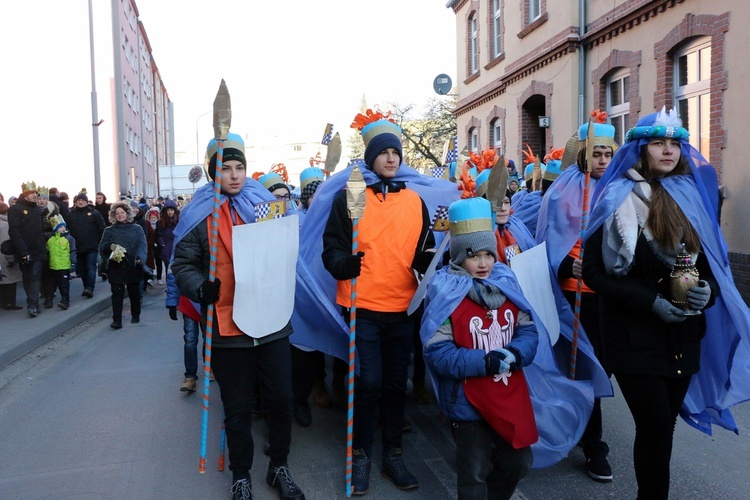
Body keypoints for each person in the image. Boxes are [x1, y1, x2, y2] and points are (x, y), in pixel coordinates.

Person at [582, 107, 750, 499]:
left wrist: (706, 291)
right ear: (642, 149)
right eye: (658, 143)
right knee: (655, 425)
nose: (668, 150)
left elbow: (710, 264)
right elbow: (594, 273)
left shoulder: (692, 195)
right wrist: (651, 302)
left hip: (683, 334)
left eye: (675, 143)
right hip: (631, 334)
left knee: (663, 427)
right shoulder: (615, 198)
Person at [171, 132, 305, 500]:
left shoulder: (264, 204)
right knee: (237, 408)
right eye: (225, 168)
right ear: (213, 171)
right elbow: (182, 263)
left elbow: (283, 248)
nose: (234, 174)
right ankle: (241, 475)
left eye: (239, 167)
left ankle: (279, 466)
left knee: (280, 399)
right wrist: (200, 287)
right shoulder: (198, 213)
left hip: (272, 320)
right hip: (228, 325)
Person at [322, 111, 436, 494]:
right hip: (363, 305)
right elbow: (332, 247)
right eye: (383, 152)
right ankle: (361, 456)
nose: (391, 158)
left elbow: (426, 247)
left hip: (404, 307)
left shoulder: (415, 200)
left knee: (392, 384)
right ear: (371, 157)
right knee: (367, 382)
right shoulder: (352, 194)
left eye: (395, 152)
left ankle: (393, 453)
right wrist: (343, 264)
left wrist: (429, 261)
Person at [421, 197, 538, 499]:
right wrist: (485, 361)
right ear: (460, 256)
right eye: (474, 255)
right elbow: (438, 353)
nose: (484, 263)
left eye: (489, 253)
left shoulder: (506, 282)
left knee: (519, 462)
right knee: (473, 475)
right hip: (466, 401)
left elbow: (528, 330)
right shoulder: (446, 292)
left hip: (507, 394)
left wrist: (516, 353)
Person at [535, 111, 617, 482]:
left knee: (606, 369)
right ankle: (593, 445)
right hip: (574, 297)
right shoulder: (562, 191)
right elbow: (549, 244)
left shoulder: (623, 187)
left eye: (608, 154)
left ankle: (588, 430)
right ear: (583, 155)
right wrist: (570, 269)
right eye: (596, 154)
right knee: (582, 370)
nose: (603, 161)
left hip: (613, 297)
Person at [99, 201, 147, 329]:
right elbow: (101, 247)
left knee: (134, 293)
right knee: (117, 294)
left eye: (122, 213)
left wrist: (140, 258)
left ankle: (135, 315)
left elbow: (142, 245)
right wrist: (109, 246)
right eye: (117, 213)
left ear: (127, 213)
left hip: (133, 264)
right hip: (116, 264)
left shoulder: (137, 228)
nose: (120, 215)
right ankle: (117, 320)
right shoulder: (109, 230)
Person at [8, 182, 47, 317]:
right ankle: (33, 302)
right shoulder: (15, 209)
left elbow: (40, 229)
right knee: (27, 277)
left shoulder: (37, 209)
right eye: (32, 193)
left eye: (35, 193)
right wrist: (23, 251)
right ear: (25, 195)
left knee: (35, 276)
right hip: (24, 250)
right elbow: (14, 231)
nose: (35, 195)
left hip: (38, 249)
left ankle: (33, 304)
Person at [67, 192, 105, 298]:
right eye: (78, 200)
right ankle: (86, 287)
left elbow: (102, 228)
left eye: (82, 200)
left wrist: (101, 242)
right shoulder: (70, 214)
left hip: (91, 245)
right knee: (82, 269)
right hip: (77, 246)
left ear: (86, 201)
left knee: (90, 267)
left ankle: (90, 288)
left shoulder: (94, 213)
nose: (80, 202)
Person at [45, 215, 76, 310]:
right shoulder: (50, 240)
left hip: (64, 266)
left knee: (64, 284)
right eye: (60, 227)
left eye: (63, 226)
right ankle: (49, 299)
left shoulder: (69, 239)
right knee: (51, 284)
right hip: (53, 266)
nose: (63, 228)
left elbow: (73, 251)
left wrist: (73, 263)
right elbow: (47, 252)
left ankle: (65, 300)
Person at [0, 202, 24, 310]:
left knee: (3, 280)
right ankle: (10, 303)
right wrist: (11, 258)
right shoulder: (5, 225)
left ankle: (3, 302)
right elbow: (7, 244)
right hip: (4, 256)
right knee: (10, 280)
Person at [156, 199, 179, 278]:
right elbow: (159, 235)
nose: (170, 212)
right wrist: (162, 245)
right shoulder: (161, 222)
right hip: (166, 249)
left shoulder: (179, 221)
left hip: (178, 248)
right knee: (168, 270)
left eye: (171, 210)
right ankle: (169, 287)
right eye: (168, 210)